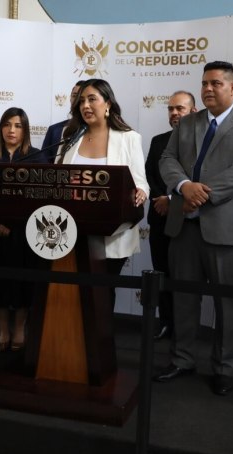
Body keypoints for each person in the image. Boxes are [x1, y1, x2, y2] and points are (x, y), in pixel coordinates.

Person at [156, 61, 233, 396]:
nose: (208, 89)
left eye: (216, 83)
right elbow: (168, 159)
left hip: (228, 230)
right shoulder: (188, 122)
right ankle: (182, 360)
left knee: (228, 305)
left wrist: (201, 193)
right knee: (184, 300)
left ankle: (225, 368)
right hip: (184, 227)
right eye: (204, 83)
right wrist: (183, 187)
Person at [59, 78, 149, 309]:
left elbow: (141, 182)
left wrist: (140, 192)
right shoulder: (69, 138)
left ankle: (100, 343)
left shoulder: (128, 138)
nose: (86, 106)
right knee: (74, 294)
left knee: (102, 293)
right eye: (81, 102)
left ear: (107, 103)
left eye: (92, 99)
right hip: (72, 231)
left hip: (112, 233)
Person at [0, 107, 48, 351]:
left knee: (21, 281)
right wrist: (1, 217)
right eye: (7, 124)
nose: (11, 130)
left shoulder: (37, 157)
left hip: (22, 227)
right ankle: (3, 332)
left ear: (25, 129)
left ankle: (19, 331)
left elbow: (34, 195)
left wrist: (10, 220)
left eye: (17, 125)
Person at [145, 91, 197, 340]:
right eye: (170, 109)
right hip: (159, 217)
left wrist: (172, 200)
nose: (174, 113)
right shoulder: (158, 141)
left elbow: (196, 182)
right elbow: (148, 177)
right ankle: (165, 321)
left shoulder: (202, 143)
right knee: (161, 274)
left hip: (188, 221)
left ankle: (184, 329)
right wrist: (160, 199)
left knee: (184, 278)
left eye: (180, 109)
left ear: (193, 112)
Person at [41, 80, 84, 160]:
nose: (77, 100)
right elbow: (44, 165)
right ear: (70, 98)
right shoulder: (54, 130)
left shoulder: (100, 131)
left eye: (81, 97)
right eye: (74, 96)